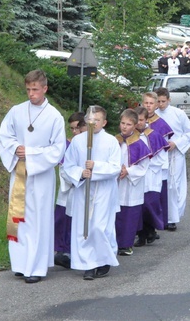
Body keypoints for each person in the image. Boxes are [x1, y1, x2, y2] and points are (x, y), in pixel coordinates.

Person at [0, 69, 66, 284]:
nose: (31, 94)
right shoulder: (17, 111)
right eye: (28, 89)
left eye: (35, 90)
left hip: (41, 176)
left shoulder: (54, 116)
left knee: (37, 220)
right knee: (19, 217)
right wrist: (16, 147)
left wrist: (32, 153)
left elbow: (58, 150)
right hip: (19, 173)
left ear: (44, 89)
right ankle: (20, 264)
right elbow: (4, 136)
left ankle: (36, 267)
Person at [62, 106, 121, 280]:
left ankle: (103, 260)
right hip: (84, 190)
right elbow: (68, 166)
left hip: (104, 190)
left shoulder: (111, 141)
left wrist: (95, 167)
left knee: (99, 227)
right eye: (90, 119)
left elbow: (115, 167)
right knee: (84, 227)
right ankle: (88, 264)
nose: (93, 123)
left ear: (104, 122)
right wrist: (81, 173)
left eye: (97, 120)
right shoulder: (78, 141)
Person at [156, 87, 190, 231]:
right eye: (158, 101)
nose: (161, 104)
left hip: (175, 154)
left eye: (163, 101)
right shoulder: (153, 115)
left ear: (169, 100)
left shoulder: (179, 114)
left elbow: (189, 132)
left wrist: (176, 143)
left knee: (174, 185)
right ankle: (162, 216)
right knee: (160, 185)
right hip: (160, 155)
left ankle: (173, 217)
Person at [115, 109, 151, 256]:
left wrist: (128, 171)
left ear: (135, 125)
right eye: (122, 123)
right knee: (116, 214)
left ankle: (126, 244)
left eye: (128, 124)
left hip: (131, 184)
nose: (124, 127)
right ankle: (114, 242)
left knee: (129, 215)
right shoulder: (114, 140)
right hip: (116, 182)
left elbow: (143, 166)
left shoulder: (140, 143)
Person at [133, 106, 169, 247]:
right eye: (136, 120)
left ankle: (152, 230)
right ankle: (142, 235)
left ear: (146, 120)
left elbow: (161, 158)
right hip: (136, 177)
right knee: (139, 206)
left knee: (149, 204)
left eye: (141, 120)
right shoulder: (131, 137)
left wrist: (146, 162)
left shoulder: (154, 135)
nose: (139, 123)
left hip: (151, 176)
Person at [54, 112, 87, 270]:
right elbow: (63, 168)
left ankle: (76, 252)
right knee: (63, 221)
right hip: (69, 189)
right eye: (72, 129)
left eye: (77, 129)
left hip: (84, 189)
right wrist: (74, 179)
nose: (74, 132)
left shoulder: (88, 145)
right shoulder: (67, 145)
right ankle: (62, 251)